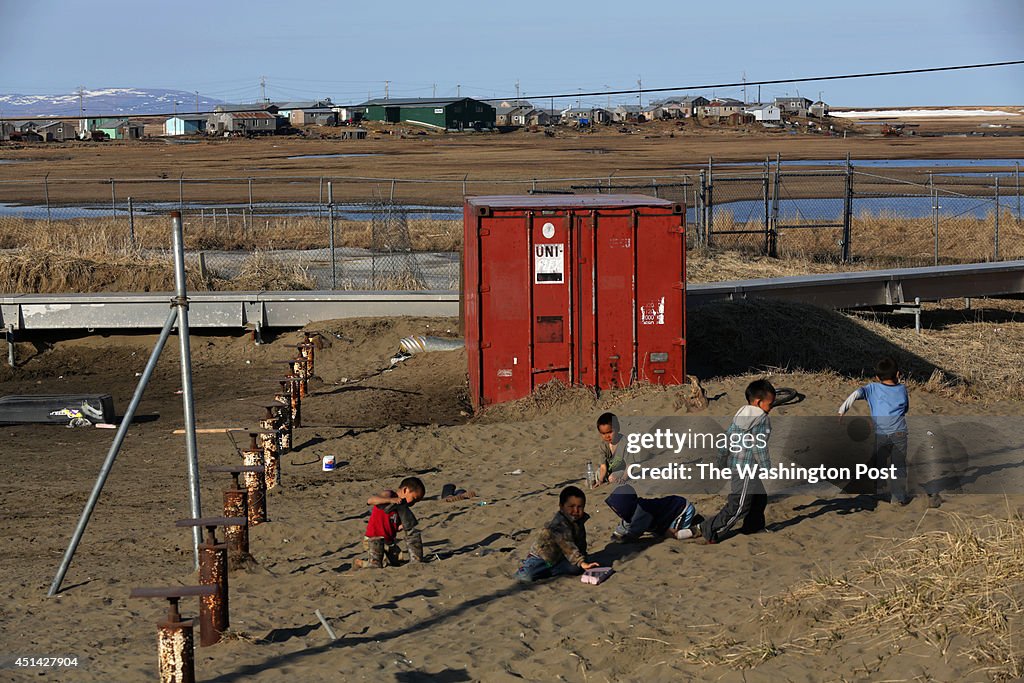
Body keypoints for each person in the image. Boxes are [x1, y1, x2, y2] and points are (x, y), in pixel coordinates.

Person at [837, 357, 937, 507]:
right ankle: (899, 498)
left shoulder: (872, 388)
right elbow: (905, 408)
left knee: (879, 463)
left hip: (882, 435)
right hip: (900, 435)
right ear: (898, 374)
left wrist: (842, 410)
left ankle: (877, 489)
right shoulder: (902, 389)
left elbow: (856, 394)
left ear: (877, 377)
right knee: (898, 467)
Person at [699, 380, 776, 544]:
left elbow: (727, 438)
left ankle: (753, 527)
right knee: (739, 505)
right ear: (758, 402)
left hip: (736, 465)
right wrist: (767, 467)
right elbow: (759, 447)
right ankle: (711, 530)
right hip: (746, 469)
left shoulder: (741, 414)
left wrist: (720, 460)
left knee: (759, 498)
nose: (771, 408)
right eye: (770, 404)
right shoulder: (762, 419)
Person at [515, 486, 599, 583]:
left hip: (561, 557)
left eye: (580, 507)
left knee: (576, 569)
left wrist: (583, 558)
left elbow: (580, 541)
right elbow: (567, 545)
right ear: (561, 506)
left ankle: (549, 571)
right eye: (571, 507)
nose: (576, 510)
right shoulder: (558, 525)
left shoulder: (578, 521)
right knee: (526, 576)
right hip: (543, 558)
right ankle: (526, 566)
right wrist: (581, 562)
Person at [356, 476, 426, 568]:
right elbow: (370, 500)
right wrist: (390, 500)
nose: (413, 503)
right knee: (380, 563)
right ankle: (360, 563)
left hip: (389, 541)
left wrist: (401, 527)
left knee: (397, 560)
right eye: (414, 499)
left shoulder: (401, 508)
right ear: (405, 490)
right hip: (372, 539)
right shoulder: (389, 495)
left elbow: (394, 525)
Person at [605, 484, 702, 542]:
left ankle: (696, 530)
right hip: (670, 512)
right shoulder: (632, 510)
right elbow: (625, 523)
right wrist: (617, 533)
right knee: (659, 533)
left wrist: (626, 538)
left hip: (681, 509)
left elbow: (635, 531)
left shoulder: (643, 512)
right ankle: (693, 522)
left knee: (670, 535)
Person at [594, 412, 627, 487]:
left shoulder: (624, 443)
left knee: (612, 478)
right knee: (595, 477)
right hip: (609, 469)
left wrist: (624, 478)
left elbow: (630, 465)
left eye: (610, 432)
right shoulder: (603, 445)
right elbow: (603, 466)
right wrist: (601, 480)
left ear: (617, 428)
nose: (607, 436)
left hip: (622, 469)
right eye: (603, 433)